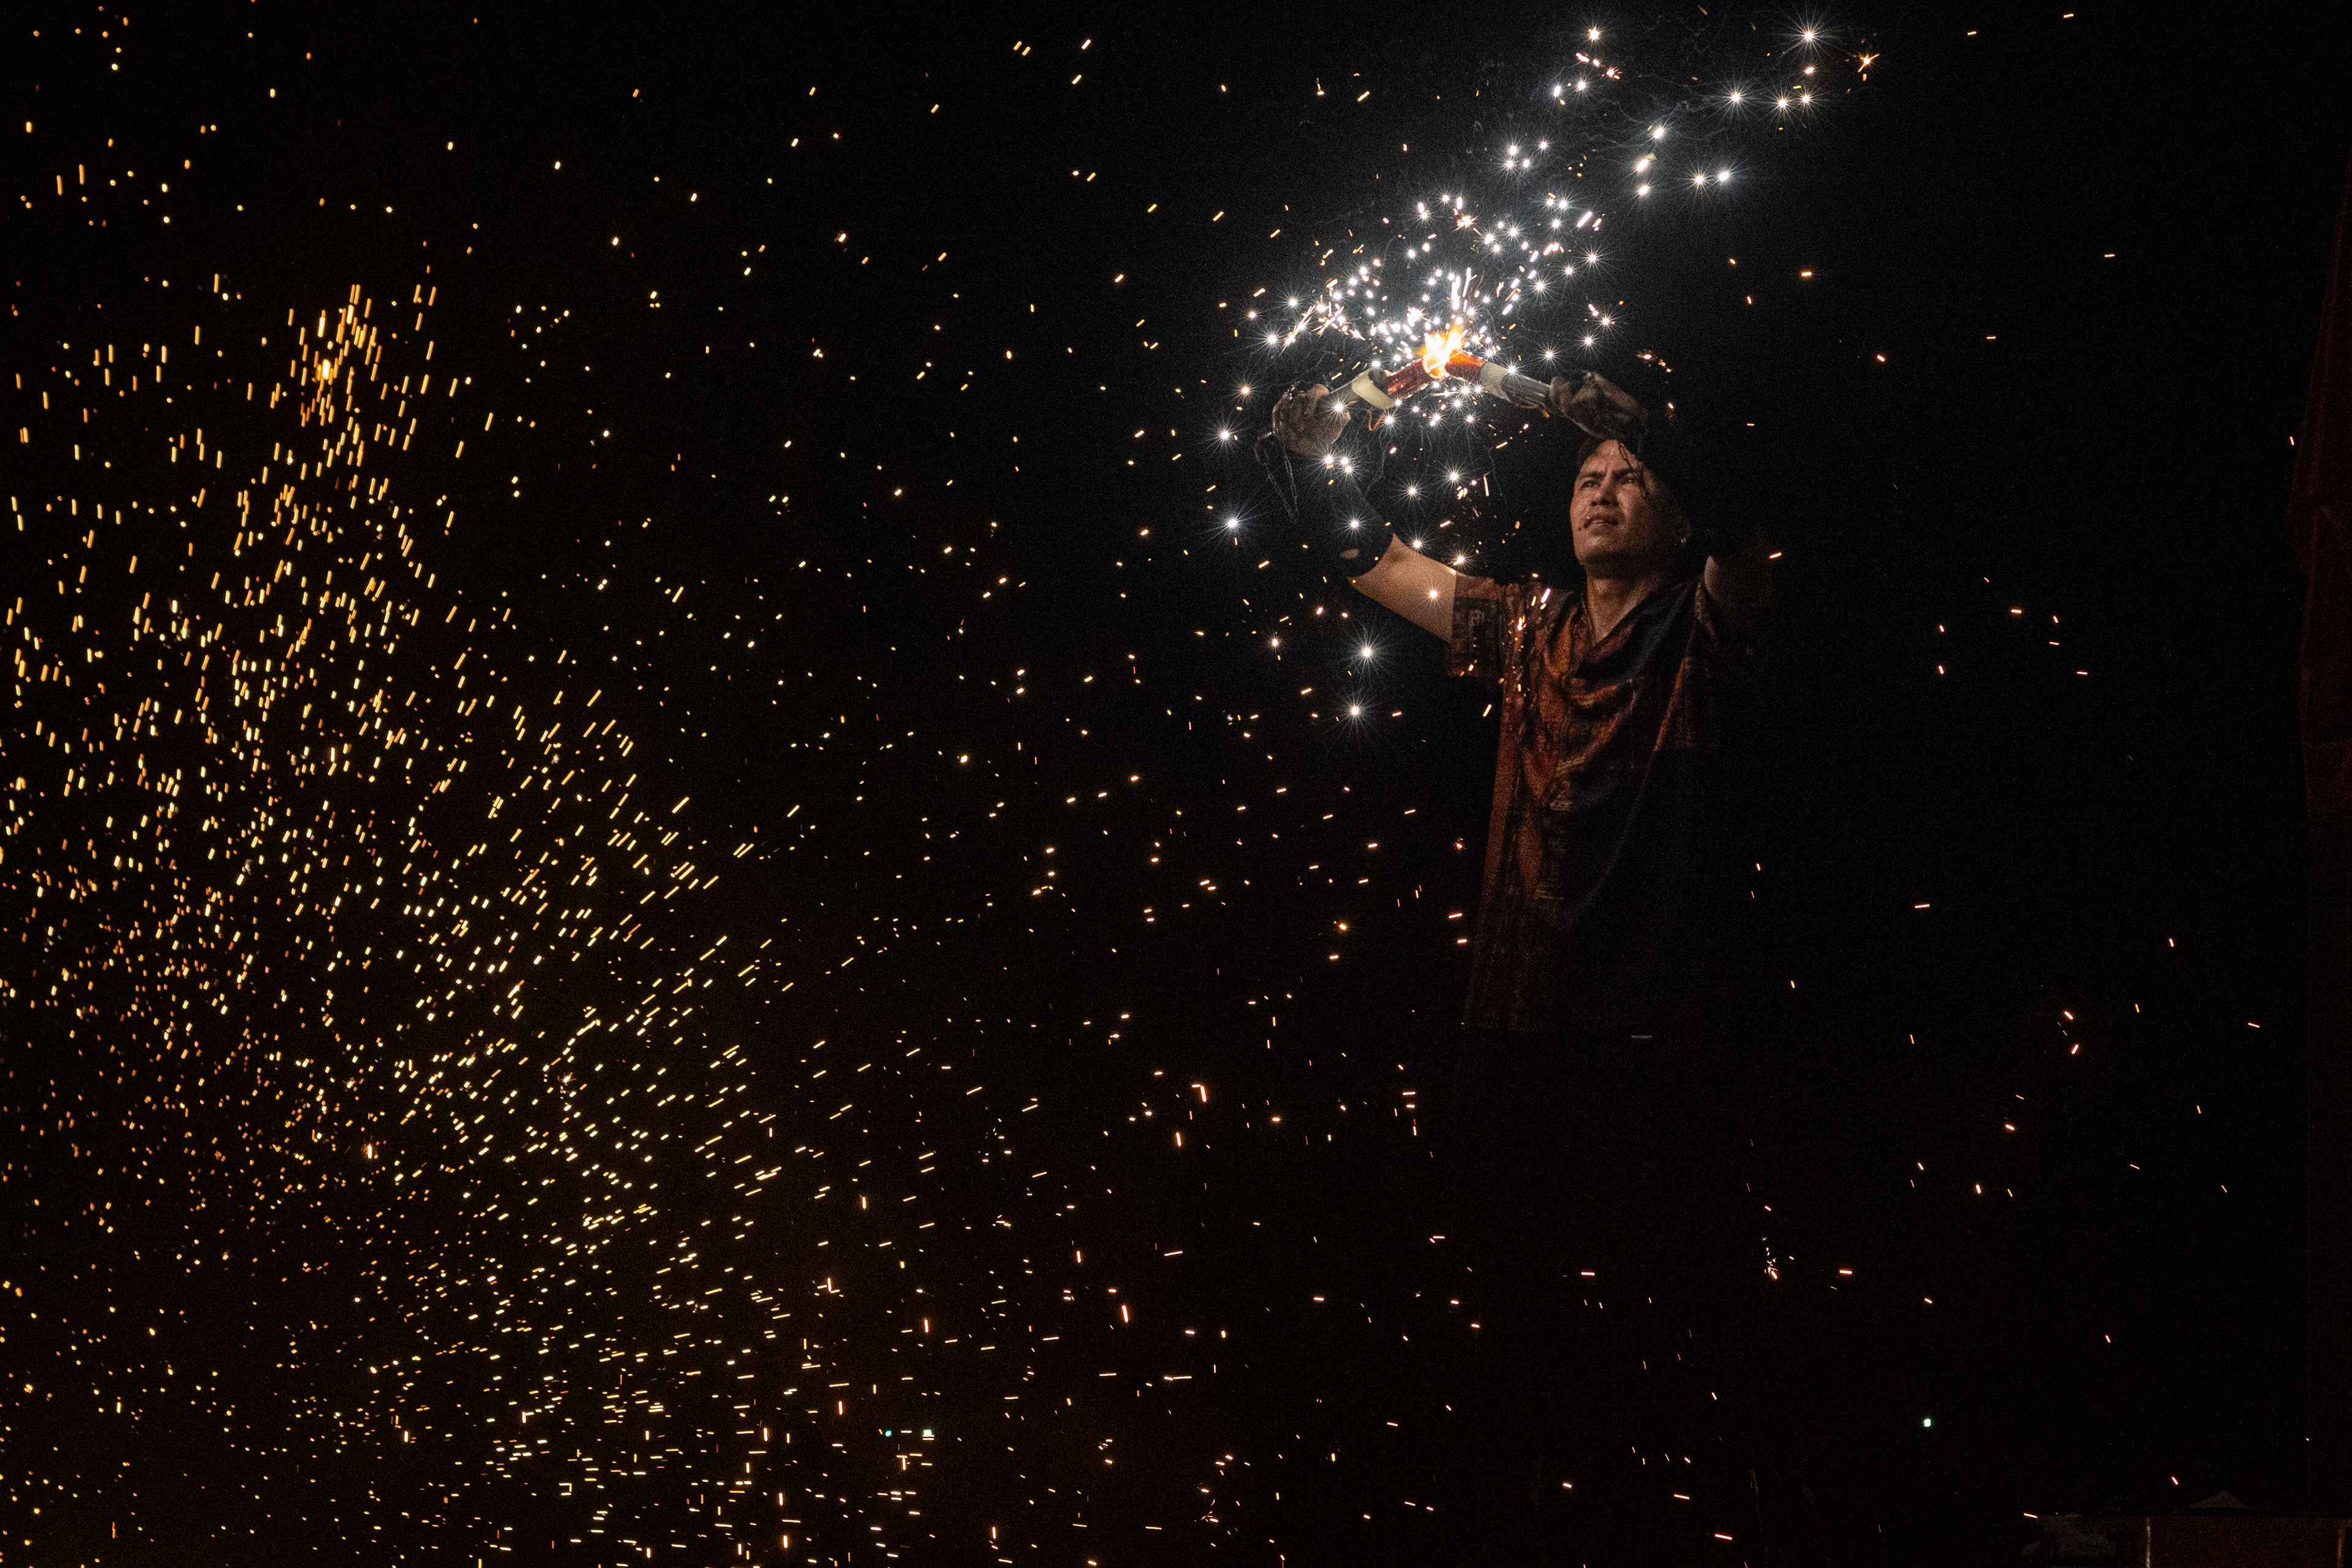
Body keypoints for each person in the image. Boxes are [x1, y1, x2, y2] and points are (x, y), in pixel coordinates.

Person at [1267, 375, 1818, 1565]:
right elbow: (1371, 559)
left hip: (1659, 1027)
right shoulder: (1525, 624)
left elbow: (1739, 529)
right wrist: (1321, 457)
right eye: (1586, 479)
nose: (1602, 494)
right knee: (1504, 1321)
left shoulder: (1707, 621)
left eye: (1629, 480)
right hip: (1519, 1023)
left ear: (1670, 514)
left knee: (1681, 1321)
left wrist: (1648, 420)